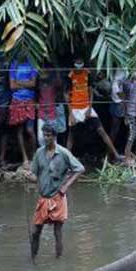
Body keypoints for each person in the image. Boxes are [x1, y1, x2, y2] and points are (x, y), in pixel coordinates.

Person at [29, 124, 84, 260]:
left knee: (57, 232)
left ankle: (58, 259)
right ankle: (33, 259)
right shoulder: (39, 153)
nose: (46, 138)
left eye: (48, 135)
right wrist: (29, 177)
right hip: (43, 197)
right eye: (44, 135)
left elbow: (80, 169)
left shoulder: (63, 153)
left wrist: (65, 186)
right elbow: (35, 173)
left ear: (54, 137)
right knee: (35, 232)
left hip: (58, 197)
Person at [65, 55, 121, 161]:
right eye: (77, 61)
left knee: (101, 130)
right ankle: (67, 161)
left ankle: (116, 155)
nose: (79, 64)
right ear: (73, 62)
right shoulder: (70, 75)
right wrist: (71, 114)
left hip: (86, 107)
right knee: (71, 136)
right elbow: (66, 95)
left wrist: (90, 108)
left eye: (80, 61)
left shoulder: (87, 73)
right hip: (75, 109)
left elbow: (90, 92)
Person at [9, 57, 38, 167]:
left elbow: (33, 84)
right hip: (17, 100)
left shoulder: (32, 62)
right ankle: (25, 158)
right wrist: (27, 83)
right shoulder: (14, 64)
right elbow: (12, 86)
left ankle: (34, 156)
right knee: (20, 130)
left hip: (29, 100)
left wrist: (18, 82)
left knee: (30, 130)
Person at [36, 63, 66, 147]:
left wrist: (55, 67)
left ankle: (53, 157)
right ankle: (44, 157)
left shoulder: (54, 83)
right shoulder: (38, 83)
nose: (42, 72)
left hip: (52, 112)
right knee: (41, 137)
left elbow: (60, 83)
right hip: (41, 112)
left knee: (53, 138)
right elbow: (35, 94)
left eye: (44, 71)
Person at [122, 70, 136, 163]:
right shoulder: (126, 84)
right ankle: (127, 156)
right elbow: (124, 100)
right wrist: (125, 115)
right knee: (132, 135)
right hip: (130, 113)